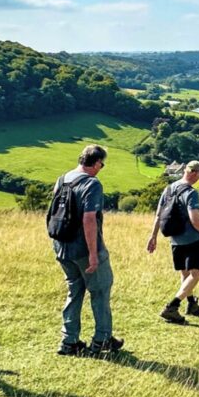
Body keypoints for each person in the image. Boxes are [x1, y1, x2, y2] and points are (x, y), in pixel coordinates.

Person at [51, 145, 122, 357]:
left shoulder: (62, 179)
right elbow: (89, 219)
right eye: (102, 164)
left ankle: (69, 341)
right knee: (100, 291)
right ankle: (102, 340)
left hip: (62, 247)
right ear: (97, 162)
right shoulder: (92, 184)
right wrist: (93, 253)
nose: (102, 168)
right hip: (84, 248)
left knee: (74, 290)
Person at [147, 160, 199, 323]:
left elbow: (158, 215)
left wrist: (153, 236)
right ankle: (172, 306)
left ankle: (192, 305)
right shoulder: (191, 192)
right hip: (193, 239)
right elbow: (194, 218)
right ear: (196, 173)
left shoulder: (168, 189)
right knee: (198, 273)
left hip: (175, 239)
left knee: (185, 273)